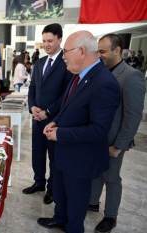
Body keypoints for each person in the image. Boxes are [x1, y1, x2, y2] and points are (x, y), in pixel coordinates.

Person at [37, 31, 120, 233]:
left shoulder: (104, 83)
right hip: (65, 152)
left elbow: (99, 130)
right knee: (61, 192)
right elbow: (68, 107)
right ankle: (59, 218)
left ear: (81, 51)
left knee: (75, 202)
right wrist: (55, 121)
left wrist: (60, 134)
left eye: (66, 51)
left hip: (81, 158)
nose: (63, 56)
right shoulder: (79, 76)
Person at [89, 34, 146, 233]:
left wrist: (119, 146)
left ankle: (110, 216)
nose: (100, 55)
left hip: (114, 140)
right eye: (98, 51)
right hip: (97, 137)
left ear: (117, 50)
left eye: (103, 51)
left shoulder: (131, 76)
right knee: (96, 172)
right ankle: (93, 202)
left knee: (112, 178)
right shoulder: (100, 72)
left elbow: (133, 116)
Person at [23, 23, 71, 205]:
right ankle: (39, 182)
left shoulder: (66, 62)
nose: (46, 44)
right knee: (37, 153)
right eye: (44, 41)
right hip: (37, 119)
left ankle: (52, 188)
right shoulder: (40, 62)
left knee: (54, 156)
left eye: (50, 40)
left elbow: (66, 94)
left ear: (59, 39)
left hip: (54, 120)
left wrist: (48, 112)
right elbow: (33, 88)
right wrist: (32, 106)